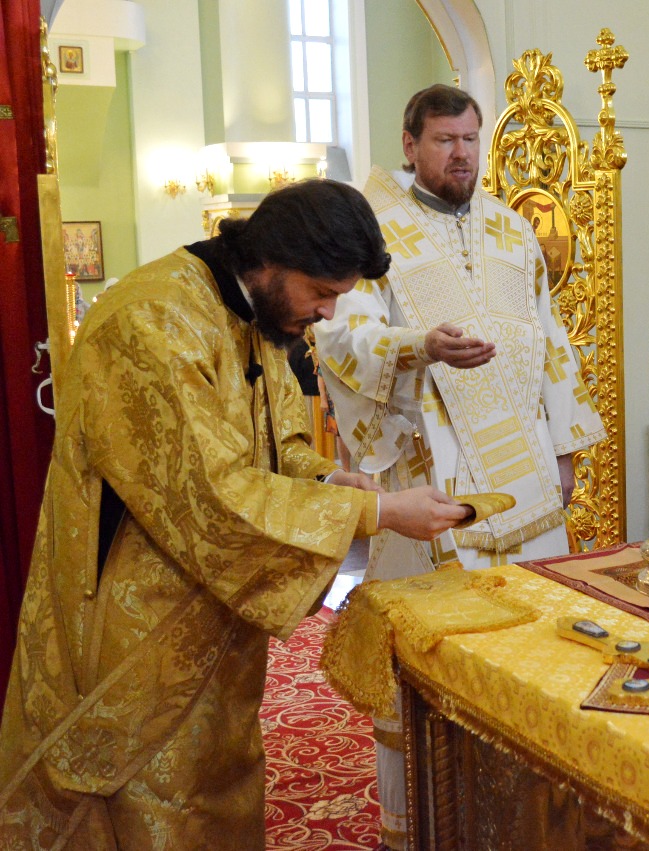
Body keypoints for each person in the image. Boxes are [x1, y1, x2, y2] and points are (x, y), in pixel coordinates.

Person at [0, 179, 472, 850]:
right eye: (323, 292)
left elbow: (280, 447)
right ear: (274, 260)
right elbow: (210, 496)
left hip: (212, 619)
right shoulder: (153, 321)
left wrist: (327, 477)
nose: (328, 312)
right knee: (151, 807)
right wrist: (378, 509)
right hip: (136, 629)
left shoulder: (257, 318)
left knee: (216, 787)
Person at [313, 83, 605, 850]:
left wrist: (567, 450)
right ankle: (425, 821)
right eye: (444, 139)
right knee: (431, 660)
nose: (461, 153)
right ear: (410, 144)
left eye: (470, 138)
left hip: (528, 487)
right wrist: (420, 347)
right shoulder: (375, 235)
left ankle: (523, 811)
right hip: (429, 484)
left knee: (535, 648)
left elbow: (552, 344)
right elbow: (342, 342)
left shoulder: (513, 229)